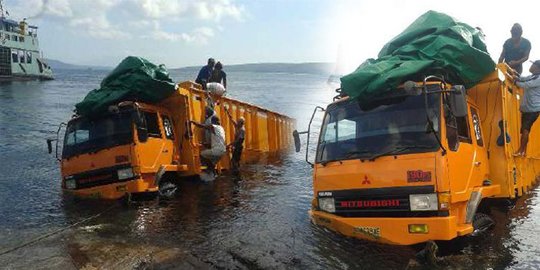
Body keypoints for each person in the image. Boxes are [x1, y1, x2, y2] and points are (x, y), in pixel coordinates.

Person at [513, 60, 540, 156]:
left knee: (525, 129)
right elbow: (524, 79)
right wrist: (517, 76)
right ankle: (523, 151)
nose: (531, 66)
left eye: (533, 65)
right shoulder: (533, 76)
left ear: (537, 68)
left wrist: (515, 81)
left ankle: (521, 151)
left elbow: (526, 85)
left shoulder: (538, 79)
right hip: (528, 109)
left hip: (533, 109)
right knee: (525, 130)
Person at [225, 108, 245, 172]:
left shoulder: (242, 130)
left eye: (239, 122)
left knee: (235, 160)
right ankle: (236, 170)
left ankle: (236, 172)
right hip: (236, 146)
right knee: (234, 160)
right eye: (238, 121)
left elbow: (238, 141)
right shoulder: (237, 126)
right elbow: (231, 119)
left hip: (238, 147)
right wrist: (227, 111)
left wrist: (230, 144)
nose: (237, 122)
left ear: (241, 123)